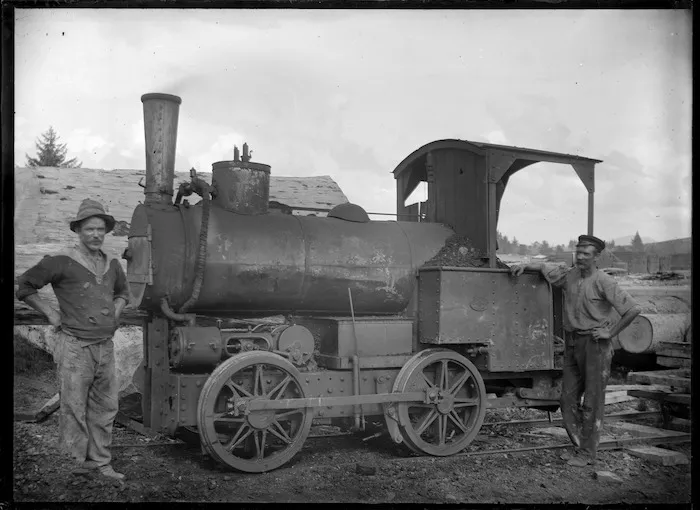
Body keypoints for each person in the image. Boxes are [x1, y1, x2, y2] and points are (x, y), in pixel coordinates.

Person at [16, 199, 130, 481]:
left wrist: (114, 316)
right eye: (90, 229)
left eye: (100, 229)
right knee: (74, 406)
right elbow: (25, 285)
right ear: (78, 230)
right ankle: (73, 465)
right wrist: (51, 313)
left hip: (105, 346)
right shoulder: (61, 261)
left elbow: (123, 293)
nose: (95, 234)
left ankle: (101, 463)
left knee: (105, 407)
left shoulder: (112, 263)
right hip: (75, 346)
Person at [510, 235, 640, 467]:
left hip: (595, 346)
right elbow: (543, 267)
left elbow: (633, 309)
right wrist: (523, 265)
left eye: (586, 254)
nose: (580, 257)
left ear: (596, 257)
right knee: (567, 398)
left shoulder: (604, 282)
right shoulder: (568, 275)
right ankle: (580, 447)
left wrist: (610, 333)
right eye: (578, 252)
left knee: (592, 400)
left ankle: (587, 453)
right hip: (572, 344)